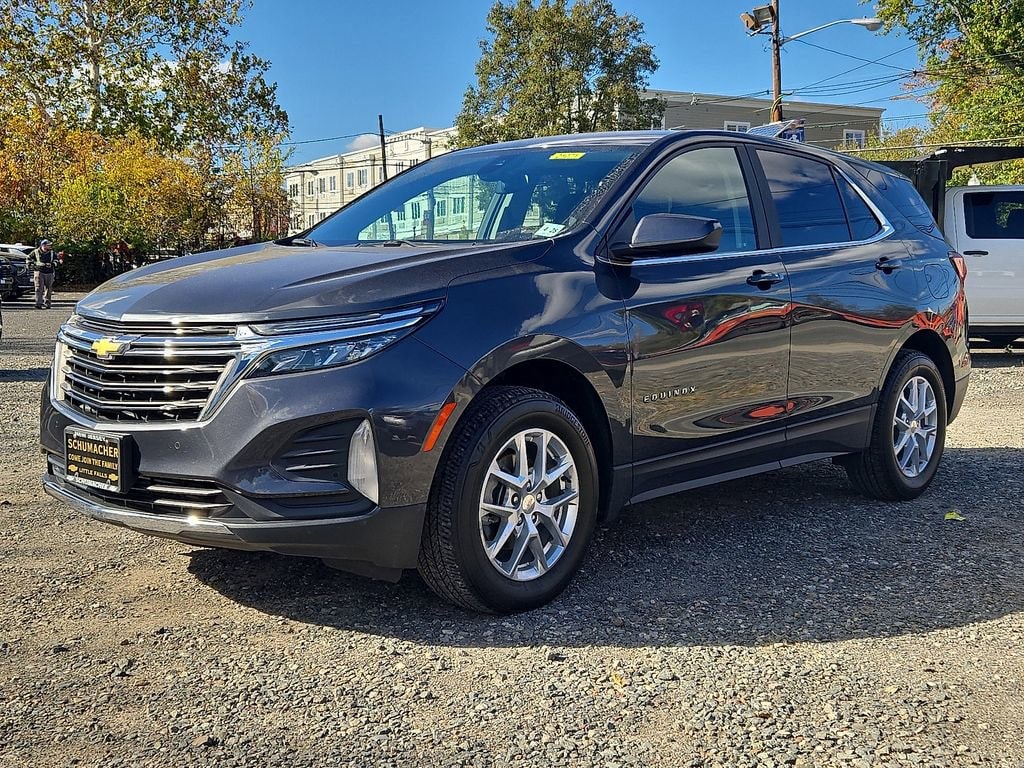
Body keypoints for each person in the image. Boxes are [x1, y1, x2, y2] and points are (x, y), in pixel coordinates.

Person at [29, 238, 57, 309]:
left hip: (49, 272)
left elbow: (56, 260)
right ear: (43, 245)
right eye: (48, 245)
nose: (49, 246)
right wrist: (33, 265)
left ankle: (47, 303)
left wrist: (52, 264)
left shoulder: (52, 252)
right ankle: (38, 303)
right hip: (39, 272)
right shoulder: (35, 252)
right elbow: (28, 258)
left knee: (49, 288)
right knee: (38, 288)